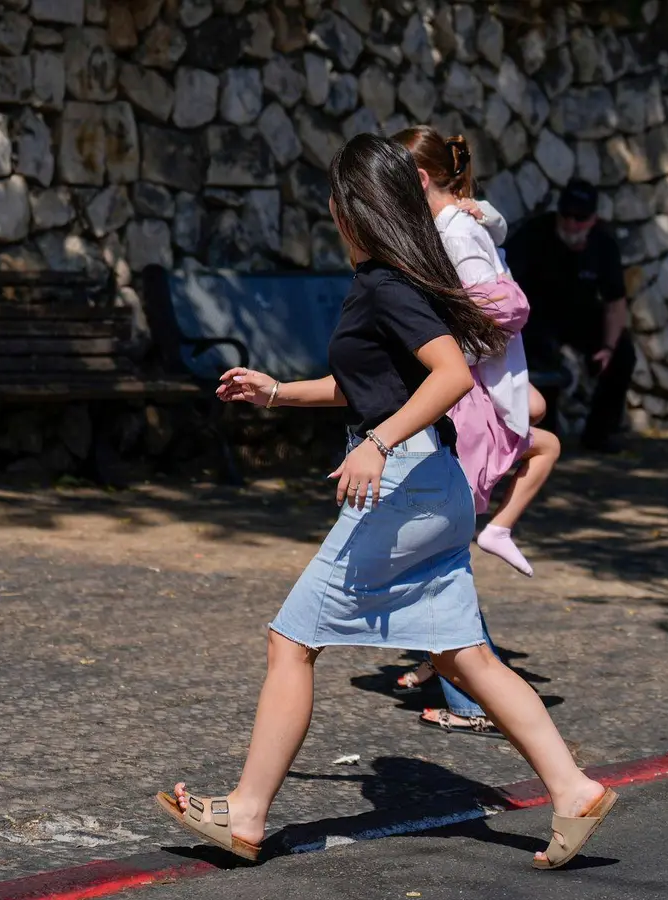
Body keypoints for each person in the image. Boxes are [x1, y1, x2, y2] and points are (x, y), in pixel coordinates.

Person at [153, 133, 616, 871]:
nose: (332, 214)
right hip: (435, 485)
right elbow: (370, 386)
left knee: (291, 641)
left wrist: (377, 443)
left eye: (335, 202)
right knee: (463, 655)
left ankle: (245, 814)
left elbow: (448, 378)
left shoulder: (387, 285)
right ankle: (573, 790)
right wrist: (276, 391)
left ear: (354, 210)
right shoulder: (395, 280)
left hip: (404, 485)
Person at [387, 125, 561, 739]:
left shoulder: (455, 229)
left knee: (439, 552)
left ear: (422, 180)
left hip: (469, 403)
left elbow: (506, 305)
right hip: (474, 397)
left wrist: (449, 349)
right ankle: (450, 673)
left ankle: (469, 692)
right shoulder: (454, 225)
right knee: (440, 547)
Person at [506, 179, 635, 453]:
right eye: (567, 215)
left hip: (581, 317)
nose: (572, 223)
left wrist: (608, 348)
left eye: (580, 218)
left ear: (593, 220)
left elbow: (615, 302)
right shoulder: (534, 234)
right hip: (536, 319)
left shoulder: (603, 244)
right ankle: (542, 437)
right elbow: (506, 284)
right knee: (543, 358)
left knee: (623, 352)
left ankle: (599, 433)